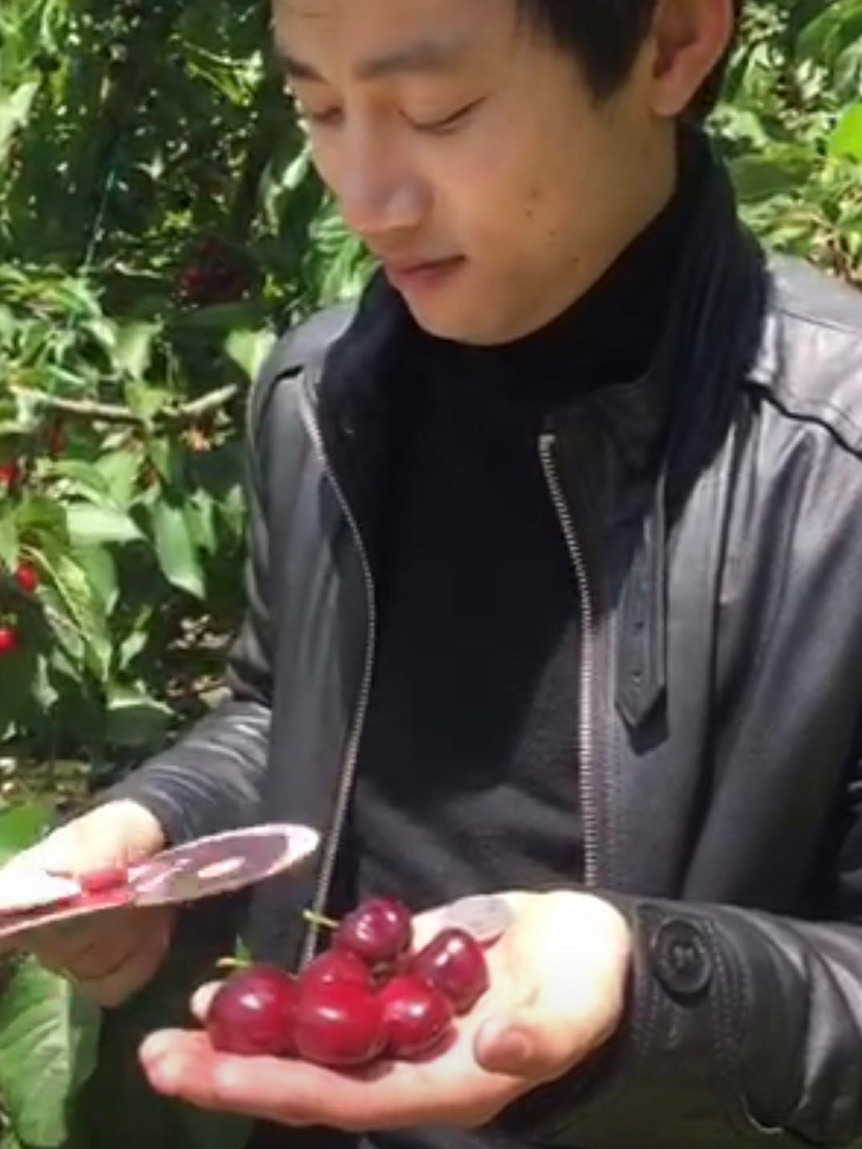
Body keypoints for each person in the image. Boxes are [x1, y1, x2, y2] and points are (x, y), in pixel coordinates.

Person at [8, 0, 862, 1145]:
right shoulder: (318, 402)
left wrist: (659, 990)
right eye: (316, 107)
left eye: (437, 110)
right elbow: (282, 709)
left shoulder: (834, 469)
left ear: (670, 42)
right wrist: (159, 825)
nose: (364, 198)